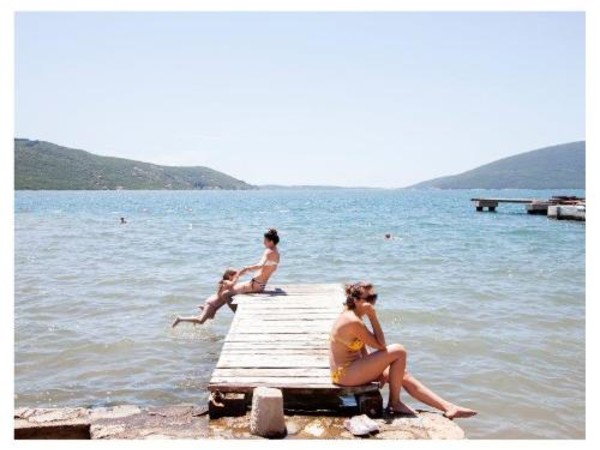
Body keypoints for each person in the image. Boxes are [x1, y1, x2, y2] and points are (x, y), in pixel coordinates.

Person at [329, 282, 477, 419]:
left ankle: (448, 407)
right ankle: (395, 403)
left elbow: (361, 347)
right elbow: (381, 345)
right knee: (399, 351)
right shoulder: (352, 320)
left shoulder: (354, 316)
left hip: (350, 370)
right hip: (344, 375)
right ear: (356, 300)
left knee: (400, 374)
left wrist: (375, 371)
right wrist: (373, 316)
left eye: (375, 297)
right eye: (369, 298)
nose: (373, 302)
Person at [173, 228, 281, 327]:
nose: (263, 243)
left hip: (255, 285)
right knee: (227, 290)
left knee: (225, 293)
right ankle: (209, 308)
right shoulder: (277, 253)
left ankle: (238, 315)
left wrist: (247, 268)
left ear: (271, 241)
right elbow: (270, 268)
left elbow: (260, 265)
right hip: (259, 284)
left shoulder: (268, 251)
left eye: (265, 240)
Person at [171, 268, 239, 327]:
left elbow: (236, 277)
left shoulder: (228, 281)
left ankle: (203, 310)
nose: (237, 277)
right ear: (229, 276)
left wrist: (246, 269)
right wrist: (236, 278)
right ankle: (180, 319)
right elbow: (232, 284)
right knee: (201, 321)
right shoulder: (226, 282)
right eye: (235, 276)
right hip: (212, 304)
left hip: (215, 305)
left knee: (211, 317)